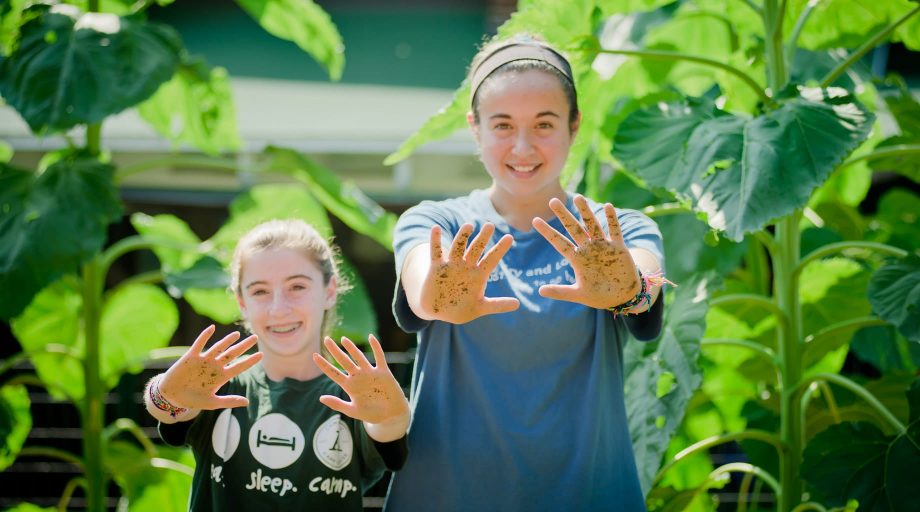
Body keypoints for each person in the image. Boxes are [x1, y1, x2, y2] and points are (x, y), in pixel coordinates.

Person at [385, 34, 670, 511]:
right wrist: (439, 296)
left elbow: (642, 289)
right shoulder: (435, 224)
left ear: (574, 126)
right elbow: (421, 288)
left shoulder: (619, 232)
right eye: (502, 125)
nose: (522, 146)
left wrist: (623, 288)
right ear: (474, 127)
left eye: (544, 124)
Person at [143, 219, 411, 511]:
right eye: (260, 291)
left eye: (297, 286)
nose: (279, 309)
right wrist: (164, 393)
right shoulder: (219, 386)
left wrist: (393, 415)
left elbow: (389, 432)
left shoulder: (356, 396)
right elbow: (168, 413)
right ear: (241, 302)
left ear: (330, 290)